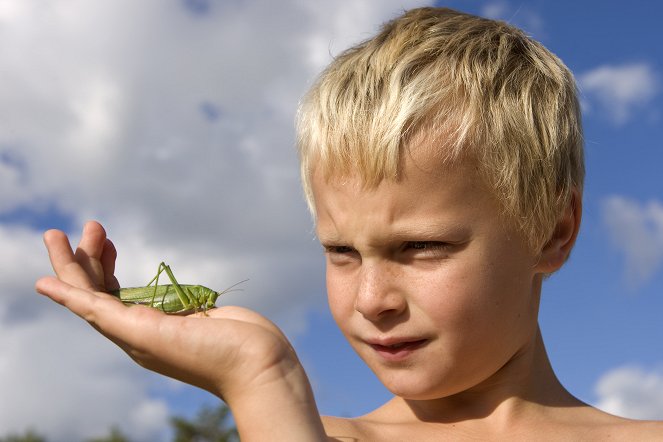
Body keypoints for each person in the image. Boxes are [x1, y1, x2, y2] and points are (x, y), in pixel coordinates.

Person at [36, 7, 662, 441]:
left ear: (552, 232)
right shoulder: (299, 429)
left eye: (420, 246)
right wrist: (259, 380)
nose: (371, 300)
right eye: (340, 250)